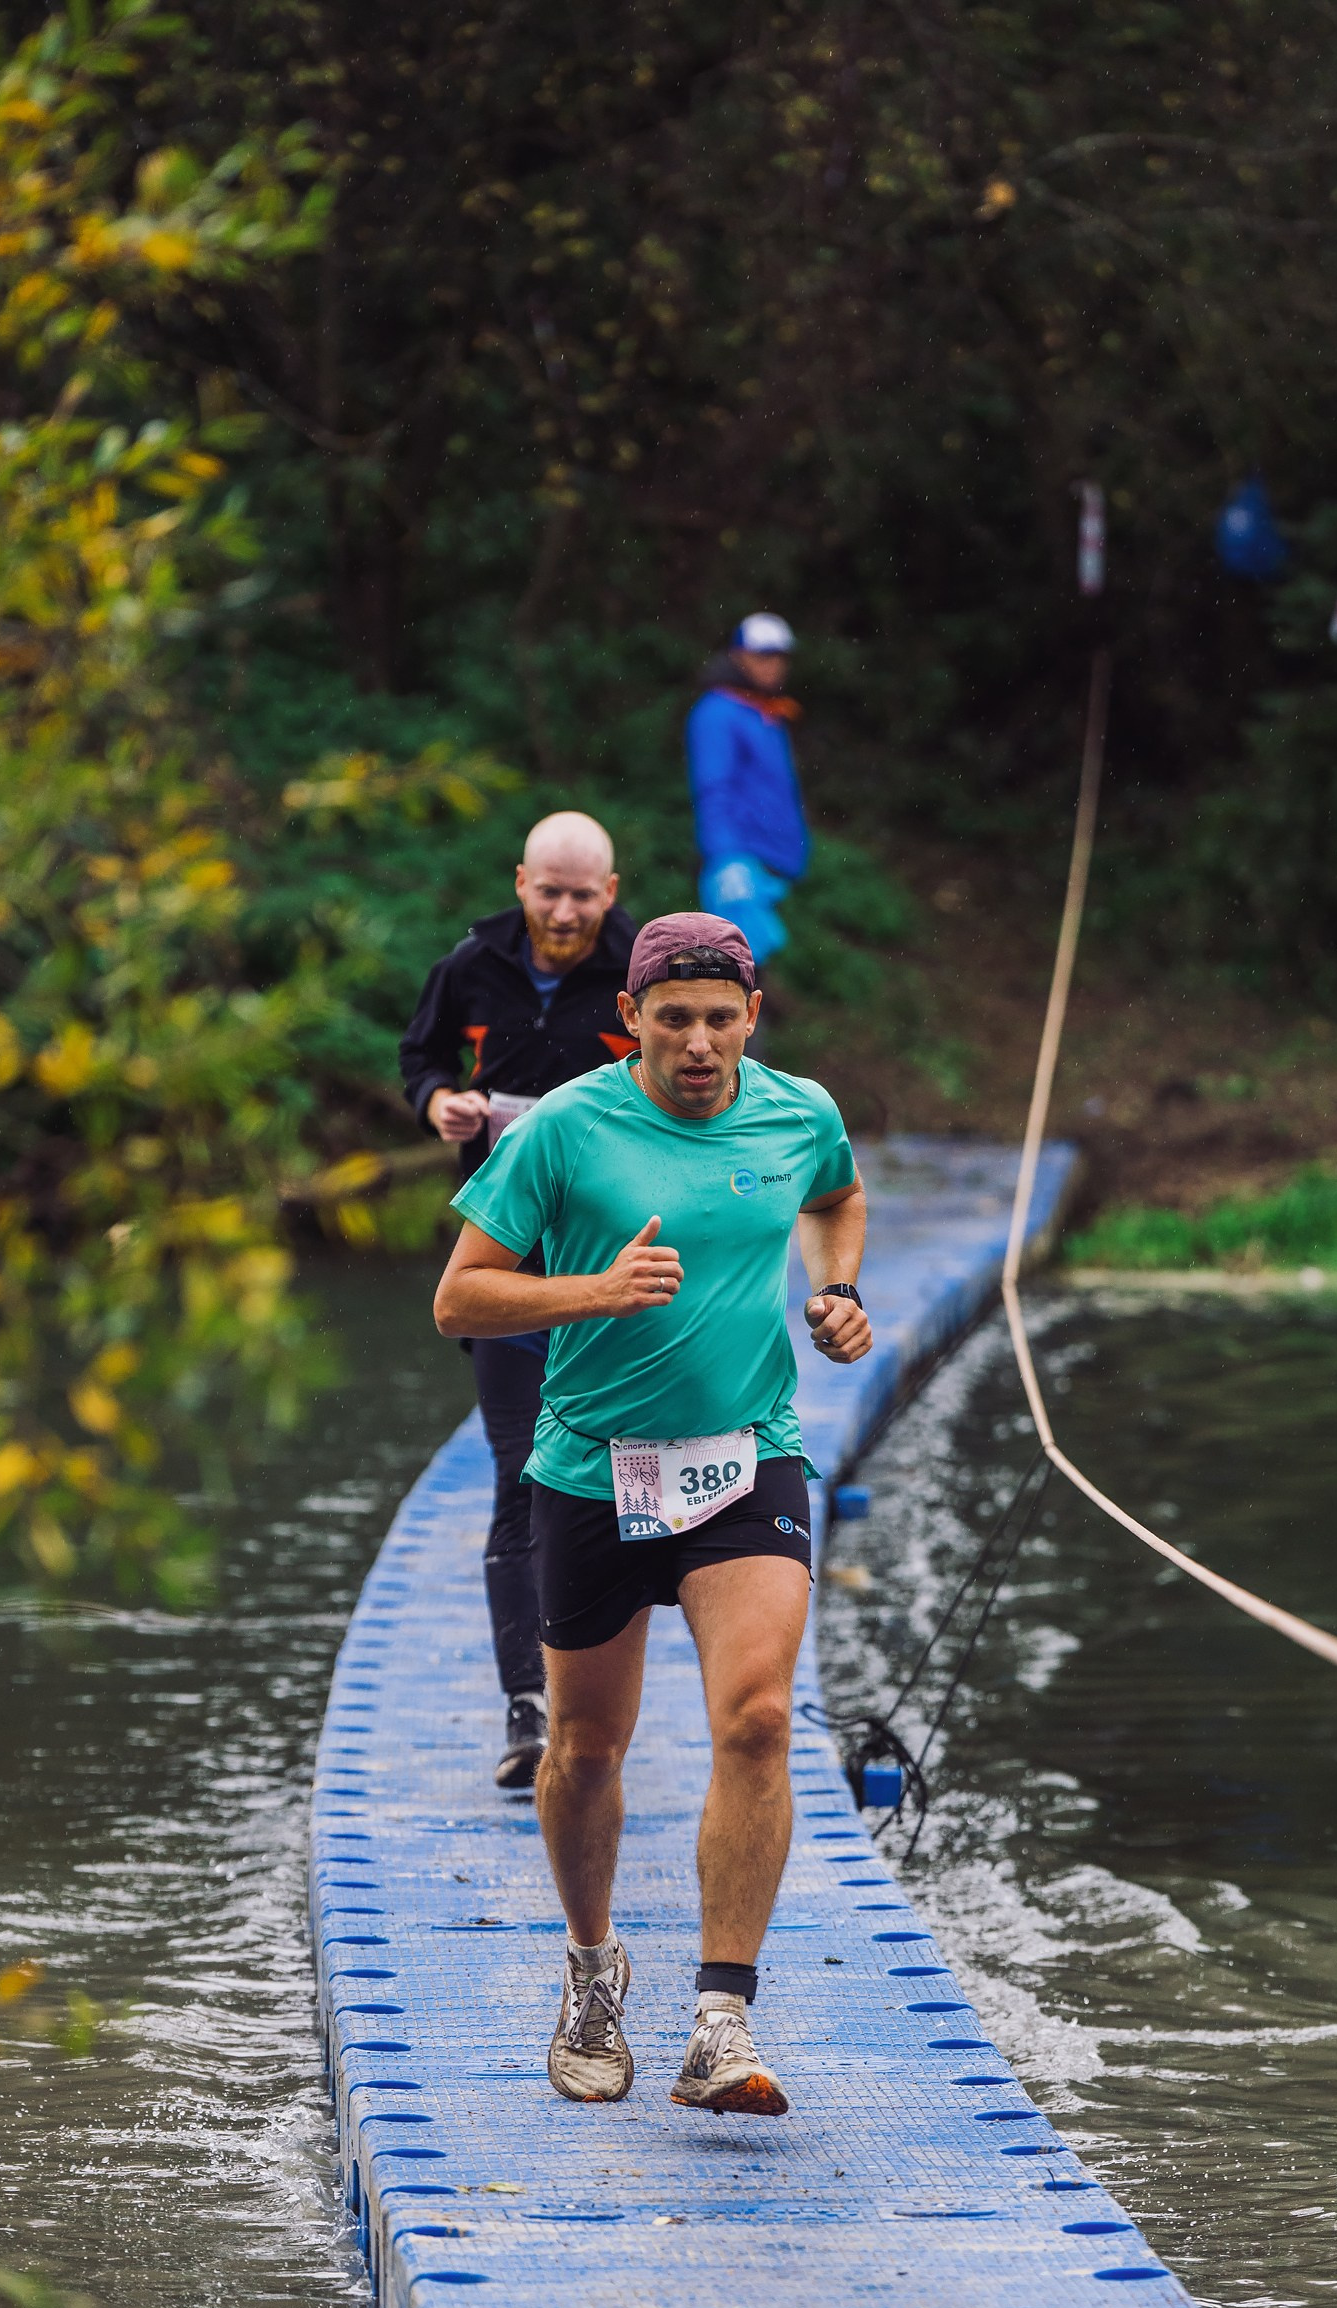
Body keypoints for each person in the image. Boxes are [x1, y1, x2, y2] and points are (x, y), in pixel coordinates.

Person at [432, 911, 870, 2118]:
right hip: (591, 1472)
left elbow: (836, 1196)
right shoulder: (569, 1127)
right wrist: (594, 1290)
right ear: (631, 1019)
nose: (695, 1043)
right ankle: (588, 1970)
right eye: (670, 1020)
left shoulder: (797, 1112)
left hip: (745, 1460)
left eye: (717, 1020)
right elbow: (458, 1298)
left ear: (750, 1019)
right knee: (584, 1750)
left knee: (759, 1715)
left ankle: (720, 2022)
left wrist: (834, 1292)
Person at [399, 812, 637, 1791]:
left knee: (606, 1464)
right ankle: (526, 1707)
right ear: (521, 883)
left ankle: (595, 1689)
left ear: (611, 893)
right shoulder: (470, 962)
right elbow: (420, 1058)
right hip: (501, 1254)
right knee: (518, 1469)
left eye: (584, 896)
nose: (566, 912)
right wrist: (437, 1105)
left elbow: (697, 1081)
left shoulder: (645, 972)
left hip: (611, 1252)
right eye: (549, 892)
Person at [686, 614, 810, 968]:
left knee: (756, 968)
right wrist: (726, 859)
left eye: (780, 656)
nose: (773, 665)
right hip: (740, 863)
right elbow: (713, 787)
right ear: (738, 657)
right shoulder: (718, 712)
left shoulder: (767, 712)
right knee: (739, 970)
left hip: (771, 863)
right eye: (763, 655)